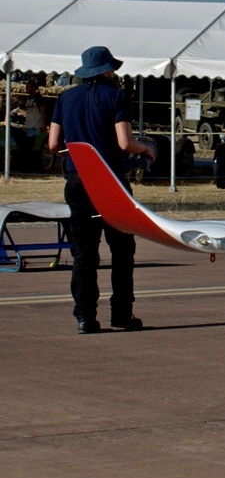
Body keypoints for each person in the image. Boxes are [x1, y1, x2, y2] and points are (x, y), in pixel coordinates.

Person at [47, 46, 157, 334]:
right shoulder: (117, 97)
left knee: (84, 252)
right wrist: (144, 147)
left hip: (78, 180)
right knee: (122, 249)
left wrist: (72, 152)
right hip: (110, 181)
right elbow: (124, 142)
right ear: (107, 71)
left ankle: (85, 317)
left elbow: (53, 144)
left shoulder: (66, 97)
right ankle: (121, 313)